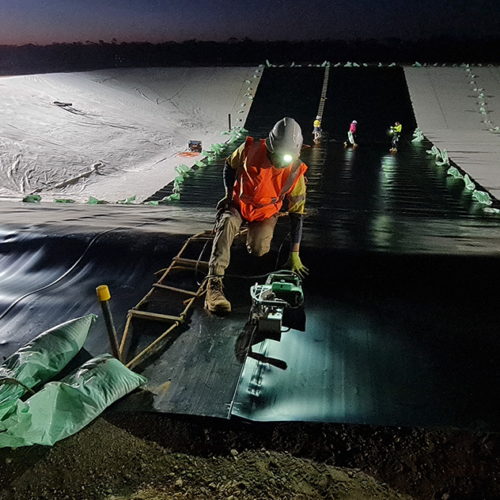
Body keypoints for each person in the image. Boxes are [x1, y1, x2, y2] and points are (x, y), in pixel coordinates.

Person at [205, 117, 309, 315]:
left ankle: (249, 235)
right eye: (277, 155)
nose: (280, 161)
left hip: (265, 214)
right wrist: (228, 195)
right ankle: (214, 285)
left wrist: (294, 254)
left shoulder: (296, 172)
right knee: (227, 223)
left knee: (259, 249)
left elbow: (297, 214)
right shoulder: (250, 149)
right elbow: (229, 166)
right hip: (238, 206)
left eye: (286, 157)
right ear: (269, 146)